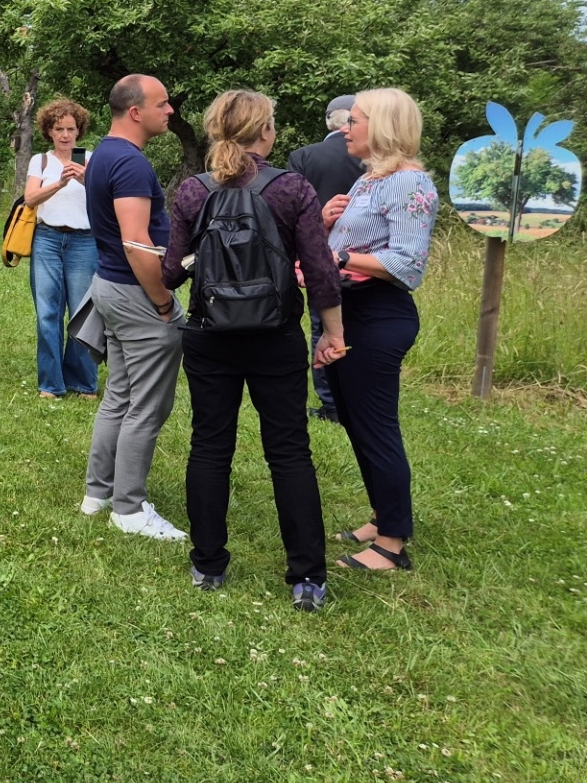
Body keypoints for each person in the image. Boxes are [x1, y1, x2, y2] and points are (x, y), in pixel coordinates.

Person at [163, 90, 347, 613]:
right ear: (265, 131)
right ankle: (307, 576)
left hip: (209, 334)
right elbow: (320, 272)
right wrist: (332, 334)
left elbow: (173, 272)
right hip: (276, 337)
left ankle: (208, 565)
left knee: (209, 446)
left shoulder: (194, 191)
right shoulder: (291, 188)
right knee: (289, 451)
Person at [323, 88, 438, 574]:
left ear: (385, 126)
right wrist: (327, 223)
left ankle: (391, 544)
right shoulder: (372, 178)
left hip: (378, 314)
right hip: (352, 311)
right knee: (353, 420)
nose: (345, 128)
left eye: (356, 120)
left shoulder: (411, 184)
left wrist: (341, 256)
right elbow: (361, 240)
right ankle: (381, 515)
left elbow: (408, 263)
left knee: (376, 428)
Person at [81, 74, 187, 542]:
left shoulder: (103, 153)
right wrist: (163, 300)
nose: (171, 112)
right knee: (146, 404)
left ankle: (98, 493)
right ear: (136, 112)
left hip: (109, 286)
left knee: (120, 395)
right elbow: (135, 241)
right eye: (163, 104)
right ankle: (128, 507)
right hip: (134, 292)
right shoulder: (129, 164)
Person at [288, 94, 366, 421]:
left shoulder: (304, 157)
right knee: (361, 327)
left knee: (323, 328)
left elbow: (292, 212)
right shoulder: (373, 158)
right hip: (367, 259)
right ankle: (360, 397)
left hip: (319, 255)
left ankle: (331, 404)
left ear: (327, 121)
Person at [23, 98, 99, 399]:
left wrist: (85, 178)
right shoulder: (40, 161)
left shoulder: (89, 158)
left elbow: (106, 199)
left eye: (71, 128)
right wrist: (59, 183)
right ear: (49, 131)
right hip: (47, 240)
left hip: (84, 242)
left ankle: (82, 381)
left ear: (79, 130)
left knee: (82, 312)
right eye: (59, 129)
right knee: (47, 312)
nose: (66, 135)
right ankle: (51, 384)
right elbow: (30, 199)